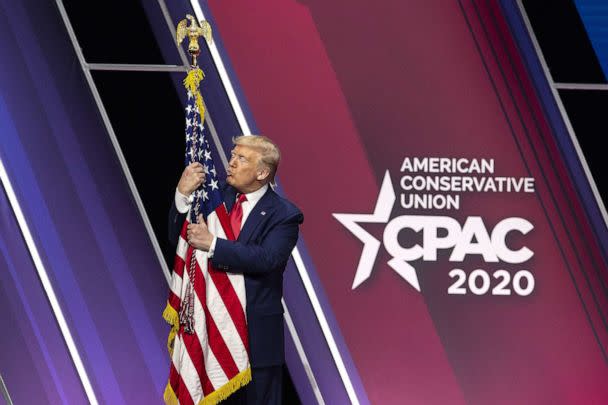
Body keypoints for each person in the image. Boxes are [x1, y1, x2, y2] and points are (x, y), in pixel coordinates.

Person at [168, 135, 303, 404]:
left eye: (241, 159)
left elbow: (268, 258)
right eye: (232, 155)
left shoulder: (284, 215)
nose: (231, 163)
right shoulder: (213, 198)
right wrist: (182, 196)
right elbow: (179, 241)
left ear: (263, 172)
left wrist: (214, 244)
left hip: (256, 344)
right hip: (208, 336)